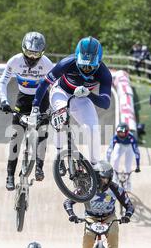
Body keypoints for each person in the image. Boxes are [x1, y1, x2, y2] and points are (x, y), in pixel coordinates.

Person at [30, 36, 112, 168]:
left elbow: (105, 103)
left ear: (99, 62)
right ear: (77, 58)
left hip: (83, 98)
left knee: (92, 129)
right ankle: (59, 157)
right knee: (61, 118)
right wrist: (35, 108)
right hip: (61, 92)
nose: (86, 69)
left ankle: (94, 166)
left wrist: (89, 94)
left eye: (90, 67)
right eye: (83, 65)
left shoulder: (104, 73)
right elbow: (44, 84)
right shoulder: (67, 62)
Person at [0, 32, 54, 190]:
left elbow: (57, 85)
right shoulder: (14, 61)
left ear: (42, 53)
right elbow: (3, 82)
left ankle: (39, 167)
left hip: (42, 98)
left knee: (43, 131)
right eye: (29, 53)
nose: (33, 58)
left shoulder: (47, 63)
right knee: (16, 136)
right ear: (23, 50)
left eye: (37, 54)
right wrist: (4, 101)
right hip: (23, 99)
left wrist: (56, 105)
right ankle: (10, 175)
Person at [63, 161, 134, 248]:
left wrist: (127, 216)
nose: (105, 181)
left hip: (109, 217)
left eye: (108, 179)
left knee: (113, 235)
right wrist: (71, 215)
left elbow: (129, 205)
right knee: (87, 241)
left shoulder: (116, 188)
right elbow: (68, 202)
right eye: (102, 178)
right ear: (95, 176)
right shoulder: (86, 187)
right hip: (91, 217)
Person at [106, 122, 141, 191]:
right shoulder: (115, 137)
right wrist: (107, 164)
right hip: (120, 146)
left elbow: (136, 152)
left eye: (122, 132)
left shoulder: (132, 138)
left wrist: (138, 166)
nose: (121, 134)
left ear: (127, 132)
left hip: (129, 147)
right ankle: (115, 179)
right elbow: (109, 151)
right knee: (115, 160)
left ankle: (128, 183)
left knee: (128, 166)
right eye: (119, 132)